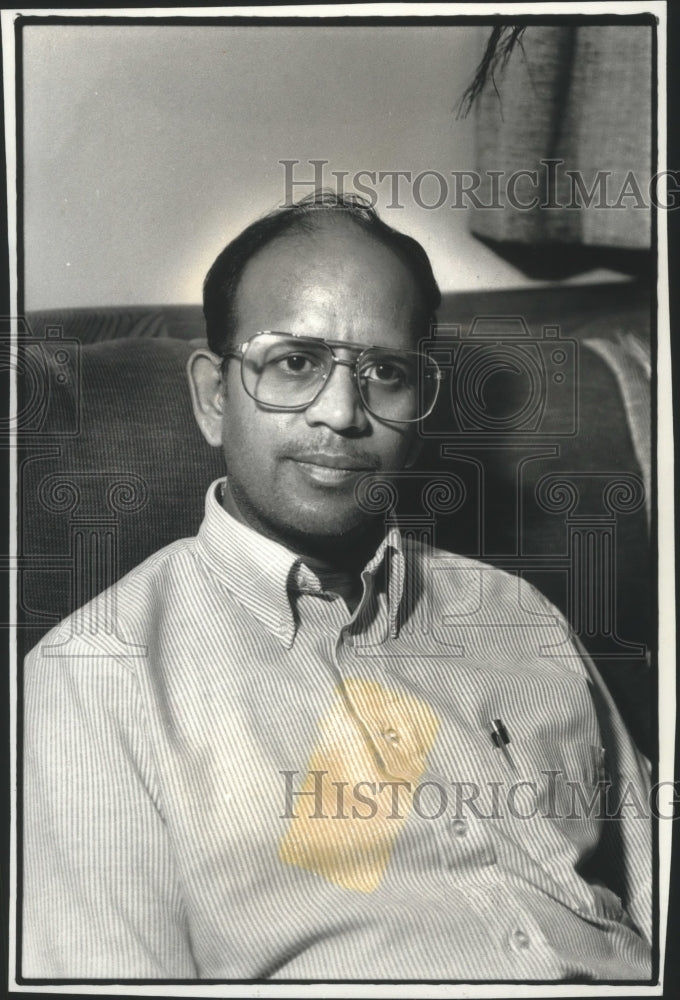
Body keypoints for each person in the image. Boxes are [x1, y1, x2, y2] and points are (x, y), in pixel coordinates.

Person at [22, 192, 652, 981]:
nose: (344, 413)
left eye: (386, 372)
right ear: (214, 398)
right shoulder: (93, 678)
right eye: (296, 362)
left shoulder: (517, 613)